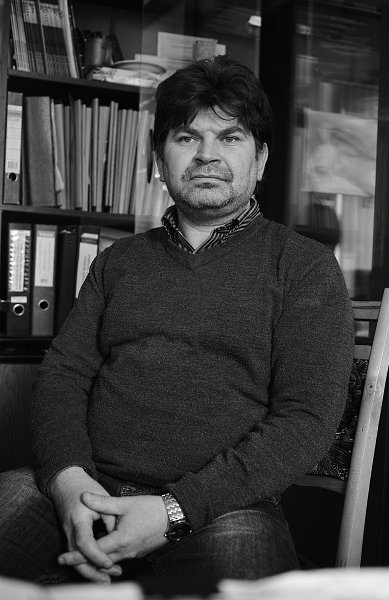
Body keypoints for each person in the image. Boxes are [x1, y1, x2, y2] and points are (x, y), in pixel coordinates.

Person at [0, 55, 354, 587]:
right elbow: (63, 376)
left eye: (230, 138)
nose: (207, 154)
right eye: (188, 137)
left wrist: (174, 510)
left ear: (260, 159)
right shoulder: (118, 261)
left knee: (243, 582)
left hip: (224, 507)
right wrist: (69, 482)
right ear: (159, 159)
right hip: (90, 491)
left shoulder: (304, 267)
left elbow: (306, 420)